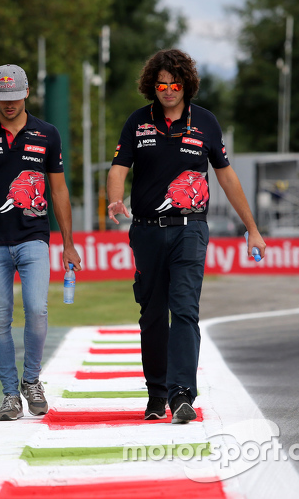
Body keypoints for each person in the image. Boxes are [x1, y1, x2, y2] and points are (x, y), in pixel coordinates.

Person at [107, 49, 266, 424]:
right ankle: (156, 394)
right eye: (160, 84)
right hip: (146, 231)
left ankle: (181, 394)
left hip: (190, 230)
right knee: (151, 315)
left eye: (174, 84)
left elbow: (226, 176)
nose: (167, 90)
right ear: (152, 85)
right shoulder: (138, 122)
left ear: (186, 85)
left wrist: (252, 228)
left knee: (185, 309)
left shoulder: (206, 123)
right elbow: (118, 168)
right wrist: (114, 199)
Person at [0, 64, 81, 421]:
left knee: (37, 312)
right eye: (1, 98)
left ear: (25, 94)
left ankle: (31, 380)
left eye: (13, 97)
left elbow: (59, 190)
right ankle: (10, 394)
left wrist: (68, 242)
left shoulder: (47, 133)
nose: (8, 104)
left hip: (34, 238)